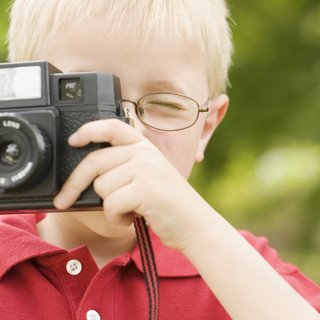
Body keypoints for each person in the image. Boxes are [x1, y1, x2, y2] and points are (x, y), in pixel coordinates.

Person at [0, 0, 319, 319]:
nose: (128, 130)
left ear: (206, 129)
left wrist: (198, 234)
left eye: (166, 104)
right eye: (82, 95)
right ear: (24, 108)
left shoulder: (239, 266)